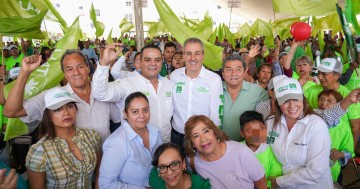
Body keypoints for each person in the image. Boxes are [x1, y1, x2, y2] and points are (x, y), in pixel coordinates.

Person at [3, 51, 121, 144]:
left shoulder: (106, 93)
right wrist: (24, 73)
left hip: (107, 162)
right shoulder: (53, 96)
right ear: (64, 74)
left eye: (80, 66)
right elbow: (11, 111)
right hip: (73, 169)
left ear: (88, 68)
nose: (76, 72)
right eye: (69, 69)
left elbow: (118, 123)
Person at [92, 44, 173, 142]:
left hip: (165, 145)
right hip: (138, 149)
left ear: (162, 61)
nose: (153, 64)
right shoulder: (127, 84)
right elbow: (99, 93)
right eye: (147, 60)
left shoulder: (168, 83)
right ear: (140, 62)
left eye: (157, 60)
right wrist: (104, 64)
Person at [26, 87, 101, 188]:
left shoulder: (92, 137)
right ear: (48, 116)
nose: (66, 112)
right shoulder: (40, 151)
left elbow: (100, 172)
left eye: (70, 106)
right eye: (58, 109)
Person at [267, 77, 333, 189]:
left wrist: (278, 182)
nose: (292, 106)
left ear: (303, 99)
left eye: (296, 99)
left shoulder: (316, 125)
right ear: (278, 103)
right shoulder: (270, 123)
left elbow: (316, 171)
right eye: (286, 101)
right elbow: (264, 147)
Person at [184, 115, 267, 189]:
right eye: (196, 136)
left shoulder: (242, 152)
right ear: (192, 144)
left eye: (206, 131)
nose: (203, 139)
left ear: (215, 133)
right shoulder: (192, 161)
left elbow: (261, 185)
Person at [99, 92, 162, 188]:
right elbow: (106, 185)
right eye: (135, 112)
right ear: (125, 114)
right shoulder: (116, 142)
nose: (142, 116)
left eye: (145, 110)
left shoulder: (155, 132)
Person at [170, 37, 223, 147]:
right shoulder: (174, 76)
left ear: (203, 55)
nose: (193, 58)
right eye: (188, 53)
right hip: (176, 137)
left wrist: (214, 139)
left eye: (197, 53)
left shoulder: (214, 79)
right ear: (183, 56)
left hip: (201, 139)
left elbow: (216, 114)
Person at [304, 58, 360, 148]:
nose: (320, 77)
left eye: (324, 74)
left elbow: (355, 127)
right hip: (314, 142)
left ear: (337, 75)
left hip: (338, 146)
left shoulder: (349, 96)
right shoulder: (311, 91)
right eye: (319, 73)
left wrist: (349, 153)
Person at [222, 54, 268, 141]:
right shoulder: (214, 89)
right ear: (223, 73)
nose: (234, 73)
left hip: (246, 147)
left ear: (244, 72)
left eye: (238, 69)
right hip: (218, 147)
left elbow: (273, 107)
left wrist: (257, 140)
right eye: (229, 70)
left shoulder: (257, 91)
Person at [317, 90, 354, 184]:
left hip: (331, 171)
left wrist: (340, 154)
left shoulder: (344, 128)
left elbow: (349, 152)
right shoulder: (311, 118)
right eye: (321, 99)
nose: (324, 103)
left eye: (329, 101)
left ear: (338, 105)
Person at [240, 111, 282, 188]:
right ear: (242, 133)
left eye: (260, 129)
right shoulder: (237, 149)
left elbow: (275, 175)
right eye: (249, 131)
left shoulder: (271, 148)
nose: (256, 134)